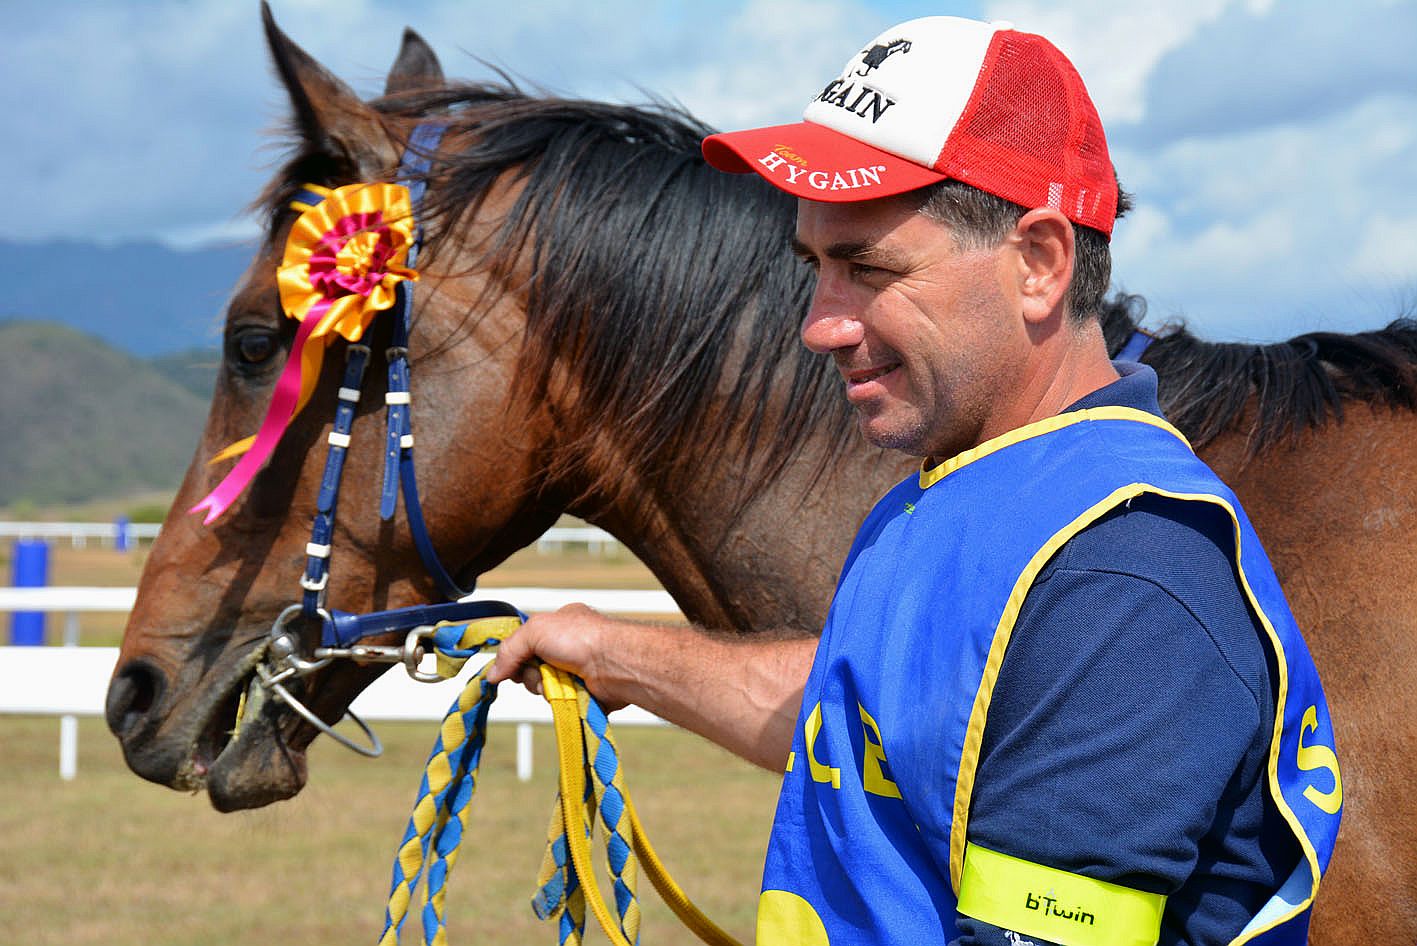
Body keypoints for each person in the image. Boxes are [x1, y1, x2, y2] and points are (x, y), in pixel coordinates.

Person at [488, 16, 1341, 946]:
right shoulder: (960, 494)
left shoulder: (1121, 576)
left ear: (1039, 263)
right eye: (815, 267)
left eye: (866, 267)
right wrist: (613, 654)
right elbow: (875, 717)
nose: (819, 325)